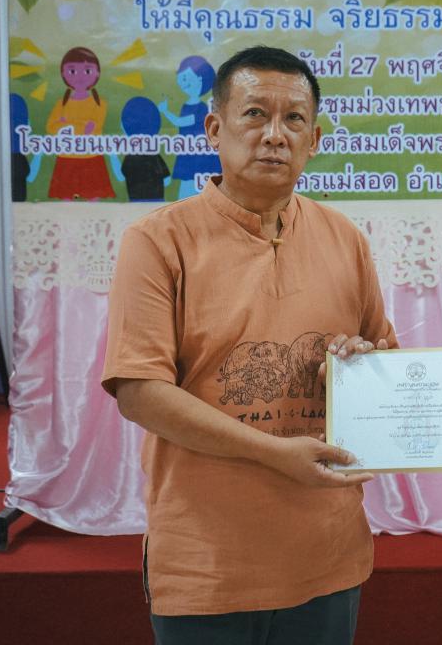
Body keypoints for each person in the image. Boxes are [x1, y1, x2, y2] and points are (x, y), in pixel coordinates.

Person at [101, 45, 397, 645]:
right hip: (208, 562)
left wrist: (359, 368)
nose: (274, 136)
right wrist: (273, 452)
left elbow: (384, 357)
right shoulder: (158, 241)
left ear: (314, 140)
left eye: (294, 120)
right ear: (215, 129)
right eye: (255, 114)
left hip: (327, 553)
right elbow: (139, 391)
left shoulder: (345, 238)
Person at [45, 46, 116, 200]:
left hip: (91, 157)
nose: (80, 77)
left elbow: (91, 128)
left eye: (87, 71)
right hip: (66, 157)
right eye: (72, 71)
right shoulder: (61, 103)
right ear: (63, 73)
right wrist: (76, 126)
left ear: (97, 73)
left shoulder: (100, 103)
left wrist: (66, 124)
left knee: (93, 197)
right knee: (66, 197)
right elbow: (51, 127)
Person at [159, 54, 221, 199]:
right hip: (188, 150)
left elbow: (181, 122)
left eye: (186, 78)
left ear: (200, 78)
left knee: (195, 185)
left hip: (199, 152)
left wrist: (166, 112)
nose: (182, 83)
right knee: (186, 186)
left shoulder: (201, 108)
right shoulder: (186, 105)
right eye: (181, 79)